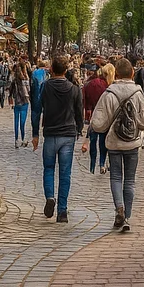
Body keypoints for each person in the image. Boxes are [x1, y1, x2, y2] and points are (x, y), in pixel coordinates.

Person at [88, 57, 144, 232]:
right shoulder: (138, 93)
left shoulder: (109, 93)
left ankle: (119, 209)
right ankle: (128, 216)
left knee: (116, 177)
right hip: (132, 142)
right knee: (130, 180)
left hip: (114, 142)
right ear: (132, 73)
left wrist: (110, 122)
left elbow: (97, 123)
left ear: (116, 74)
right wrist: (136, 123)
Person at [32, 55, 84, 223]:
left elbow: (37, 109)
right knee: (65, 173)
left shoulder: (46, 87)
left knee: (48, 168)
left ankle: (50, 197)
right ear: (66, 70)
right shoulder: (74, 89)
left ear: (51, 70)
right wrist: (79, 129)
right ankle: (62, 211)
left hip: (50, 133)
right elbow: (79, 112)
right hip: (68, 134)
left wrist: (35, 133)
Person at [83, 64, 111, 174]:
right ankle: (102, 164)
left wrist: (88, 110)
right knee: (103, 141)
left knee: (93, 140)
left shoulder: (90, 83)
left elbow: (86, 100)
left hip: (94, 115)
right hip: (105, 116)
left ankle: (92, 165)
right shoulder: (108, 86)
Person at [9, 62, 30, 147]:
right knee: (22, 122)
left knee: (16, 121)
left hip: (17, 102)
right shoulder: (26, 80)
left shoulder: (14, 80)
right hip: (24, 102)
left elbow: (10, 92)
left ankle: (16, 140)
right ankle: (23, 139)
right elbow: (29, 91)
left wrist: (11, 102)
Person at [29, 60, 47, 138]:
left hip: (36, 97)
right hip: (45, 97)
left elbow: (32, 86)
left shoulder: (34, 73)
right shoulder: (46, 73)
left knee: (35, 116)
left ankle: (35, 134)